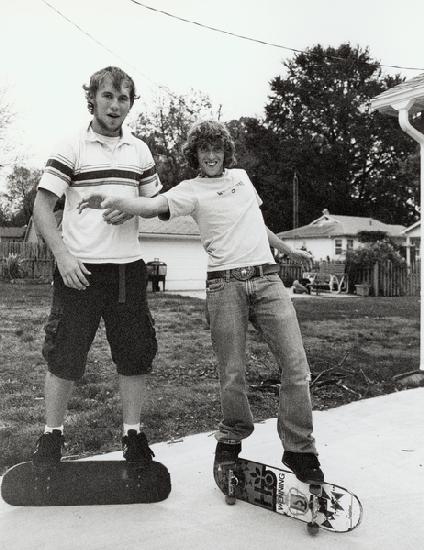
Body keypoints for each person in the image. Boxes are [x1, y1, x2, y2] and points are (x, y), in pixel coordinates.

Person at [78, 120, 324, 483]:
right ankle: (230, 437)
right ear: (195, 154)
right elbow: (152, 204)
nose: (211, 155)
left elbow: (256, 222)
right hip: (225, 287)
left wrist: (288, 250)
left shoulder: (242, 178)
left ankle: (299, 450)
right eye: (204, 150)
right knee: (233, 372)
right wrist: (115, 200)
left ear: (227, 153)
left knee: (296, 366)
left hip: (268, 280)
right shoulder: (189, 190)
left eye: (217, 149)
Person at [32, 66, 162, 467]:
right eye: (108, 96)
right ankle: (52, 438)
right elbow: (41, 206)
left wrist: (132, 209)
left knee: (136, 353)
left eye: (123, 98)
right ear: (92, 98)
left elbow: (155, 206)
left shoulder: (139, 150)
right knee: (64, 355)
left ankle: (132, 436)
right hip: (79, 270)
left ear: (130, 104)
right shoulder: (72, 145)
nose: (115, 105)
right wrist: (64, 256)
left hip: (126, 270)